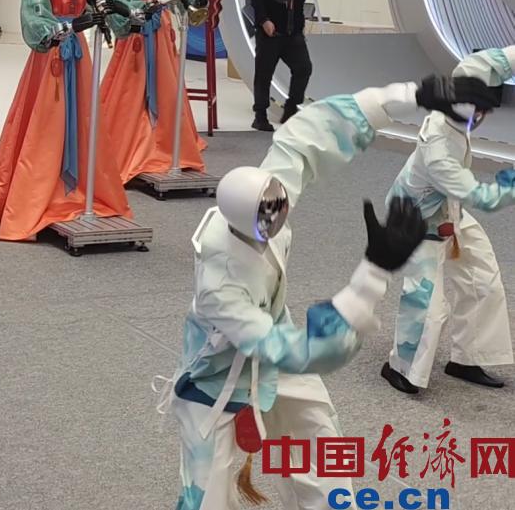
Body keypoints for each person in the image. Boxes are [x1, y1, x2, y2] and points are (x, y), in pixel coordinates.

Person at [160, 72, 497, 510]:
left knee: (320, 448)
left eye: (278, 201)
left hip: (274, 347)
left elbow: (309, 133)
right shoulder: (221, 286)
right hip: (217, 383)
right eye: (269, 211)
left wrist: (412, 94)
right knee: (206, 499)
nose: (279, 212)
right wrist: (374, 271)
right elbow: (301, 351)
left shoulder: (261, 199)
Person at [0, 0, 132, 240]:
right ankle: (37, 192)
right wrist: (67, 27)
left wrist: (120, 13)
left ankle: (79, 188)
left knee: (83, 117)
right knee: (46, 121)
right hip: (51, 59)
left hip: (79, 57)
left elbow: (116, 8)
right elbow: (35, 19)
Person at [381, 47, 515, 395]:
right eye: (477, 112)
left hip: (447, 206)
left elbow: (497, 60)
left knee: (482, 276)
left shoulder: (465, 84)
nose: (481, 117)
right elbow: (481, 196)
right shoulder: (439, 149)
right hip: (415, 219)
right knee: (426, 301)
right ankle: (400, 367)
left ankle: (468, 357)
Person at [100, 0, 208, 183]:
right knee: (132, 85)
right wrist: (150, 4)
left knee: (166, 85)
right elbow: (124, 3)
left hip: (162, 36)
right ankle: (133, 142)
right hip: (137, 36)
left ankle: (167, 142)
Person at [251, 0, 311, 132]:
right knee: (264, 74)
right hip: (271, 32)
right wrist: (264, 21)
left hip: (293, 33)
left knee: (304, 68)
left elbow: (300, 1)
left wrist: (300, 26)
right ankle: (260, 116)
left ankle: (291, 107)